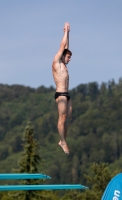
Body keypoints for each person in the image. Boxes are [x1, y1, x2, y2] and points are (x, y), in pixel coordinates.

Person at [52, 22, 72, 154]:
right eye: (68, 57)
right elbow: (62, 47)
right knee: (62, 118)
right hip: (60, 94)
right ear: (63, 56)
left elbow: (66, 47)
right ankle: (62, 141)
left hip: (67, 95)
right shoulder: (56, 63)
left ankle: (63, 139)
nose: (70, 59)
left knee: (68, 118)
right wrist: (64, 33)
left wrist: (68, 33)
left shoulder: (64, 66)